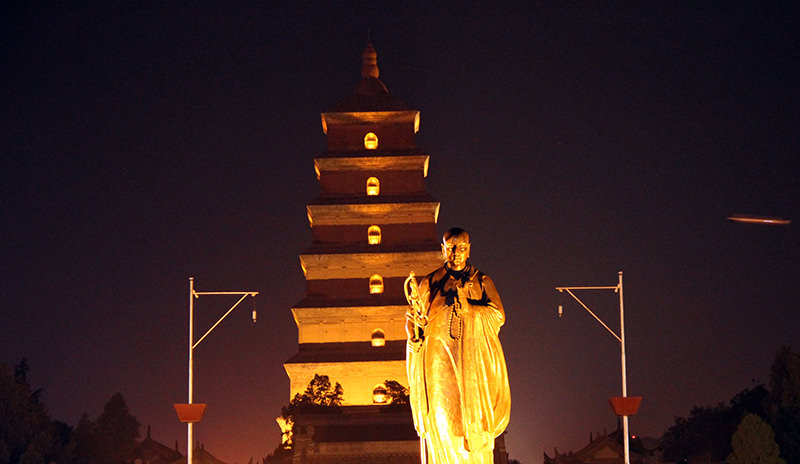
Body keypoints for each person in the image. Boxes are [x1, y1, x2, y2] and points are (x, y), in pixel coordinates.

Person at [405, 228, 511, 464]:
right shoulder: (430, 283)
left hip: (473, 364)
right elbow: (414, 320)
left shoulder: (481, 280)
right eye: (451, 247)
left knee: (472, 429)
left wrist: (470, 310)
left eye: (461, 247)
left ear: (469, 249)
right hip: (438, 363)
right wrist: (414, 335)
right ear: (443, 250)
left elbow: (498, 315)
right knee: (442, 423)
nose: (456, 253)